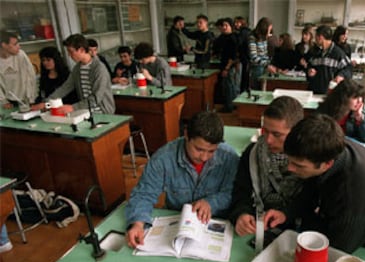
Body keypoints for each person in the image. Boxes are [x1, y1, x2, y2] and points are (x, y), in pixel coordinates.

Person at [265, 114, 365, 253]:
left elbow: (338, 249)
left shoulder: (354, 192)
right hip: (360, 226)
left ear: (327, 164)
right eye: (289, 160)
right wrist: (287, 213)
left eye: (298, 165)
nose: (290, 168)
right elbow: (311, 187)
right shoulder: (328, 147)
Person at [125, 111, 239, 247]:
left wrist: (211, 203)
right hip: (177, 223)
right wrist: (138, 223)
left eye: (211, 151)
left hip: (216, 223)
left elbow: (233, 192)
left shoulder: (229, 158)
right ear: (186, 135)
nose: (204, 157)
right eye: (199, 149)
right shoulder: (164, 158)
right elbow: (144, 194)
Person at [229, 96, 304, 236]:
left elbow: (310, 201)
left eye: (277, 134)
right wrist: (241, 214)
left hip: (298, 231)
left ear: (295, 133)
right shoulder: (252, 153)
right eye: (265, 131)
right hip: (257, 227)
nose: (268, 140)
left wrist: (286, 214)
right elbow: (241, 191)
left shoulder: (308, 159)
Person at [33, 34, 115, 114]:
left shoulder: (99, 68)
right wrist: (47, 102)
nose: (69, 55)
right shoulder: (77, 68)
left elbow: (96, 97)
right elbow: (65, 87)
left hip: (102, 112)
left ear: (82, 50)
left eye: (71, 52)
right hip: (86, 111)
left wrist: (73, 107)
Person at [317, 79, 365, 143]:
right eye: (355, 97)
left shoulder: (356, 114)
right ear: (343, 98)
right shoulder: (324, 112)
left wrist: (360, 118)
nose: (359, 101)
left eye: (360, 97)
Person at [307, 25, 352, 94]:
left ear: (320, 37)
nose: (314, 39)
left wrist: (341, 75)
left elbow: (349, 69)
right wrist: (310, 71)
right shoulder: (315, 52)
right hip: (314, 93)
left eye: (316, 37)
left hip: (331, 94)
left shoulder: (338, 53)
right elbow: (309, 66)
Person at [0, 30, 36, 107]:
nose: (19, 46)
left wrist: (31, 99)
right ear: (4, 45)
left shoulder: (21, 55)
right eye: (15, 44)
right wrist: (3, 101)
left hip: (27, 100)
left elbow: (30, 77)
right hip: (8, 102)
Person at [216, 18, 240, 113]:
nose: (224, 27)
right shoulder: (223, 37)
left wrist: (227, 68)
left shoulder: (232, 38)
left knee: (229, 87)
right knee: (229, 86)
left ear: (231, 26)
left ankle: (229, 107)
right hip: (225, 65)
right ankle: (232, 105)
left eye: (227, 25)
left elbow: (233, 56)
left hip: (229, 66)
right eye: (223, 25)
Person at [249, 17, 273, 90]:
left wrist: (269, 63)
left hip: (265, 67)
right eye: (269, 29)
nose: (270, 32)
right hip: (256, 68)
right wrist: (267, 65)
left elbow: (265, 54)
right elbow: (253, 57)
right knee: (256, 89)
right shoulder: (252, 38)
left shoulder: (264, 38)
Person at [234, 16, 251, 92]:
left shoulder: (242, 32)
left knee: (242, 81)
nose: (236, 24)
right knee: (246, 79)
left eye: (238, 22)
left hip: (243, 58)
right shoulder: (249, 31)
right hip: (248, 58)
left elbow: (238, 45)